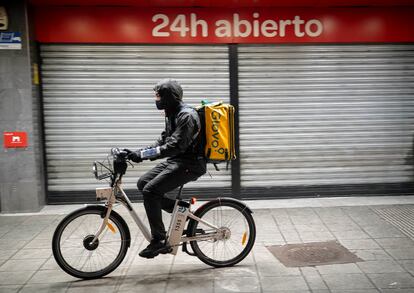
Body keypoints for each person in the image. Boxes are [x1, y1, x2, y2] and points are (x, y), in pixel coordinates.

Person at [124, 79, 206, 259]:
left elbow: (175, 146)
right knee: (143, 183)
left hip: (190, 164)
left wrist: (145, 156)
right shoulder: (172, 114)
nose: (156, 99)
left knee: (151, 191)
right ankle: (182, 211)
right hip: (177, 161)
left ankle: (159, 241)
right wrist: (138, 152)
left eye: (158, 95)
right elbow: (163, 142)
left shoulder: (187, 116)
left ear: (169, 96)